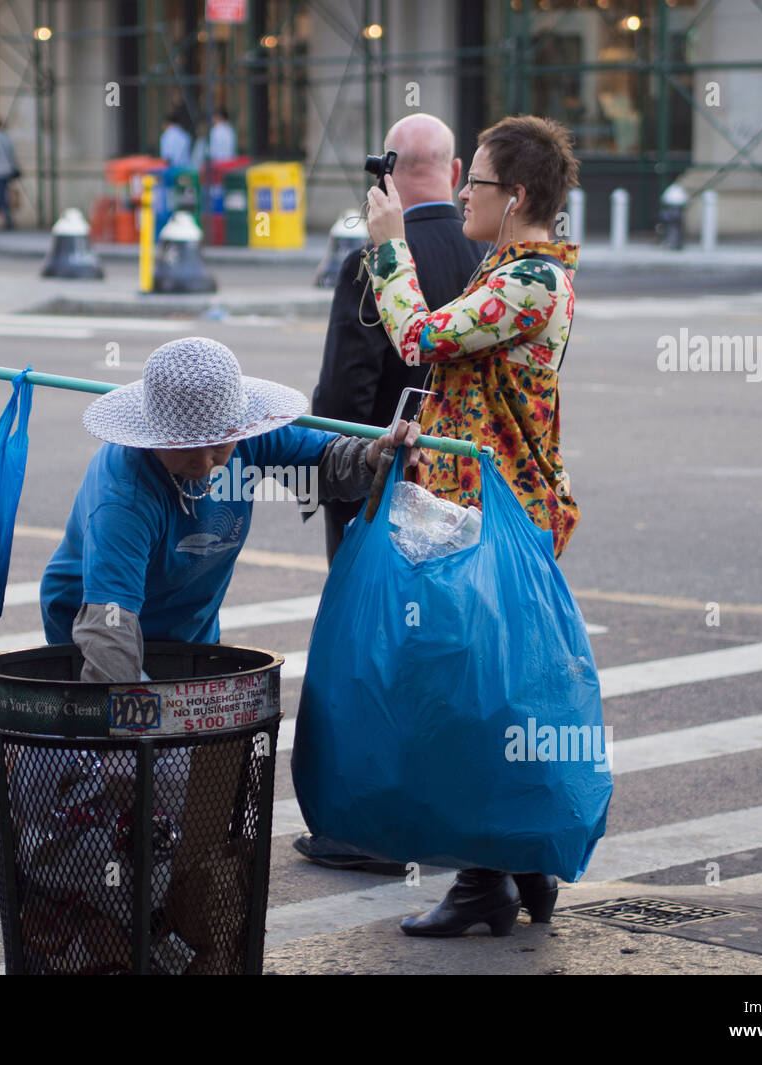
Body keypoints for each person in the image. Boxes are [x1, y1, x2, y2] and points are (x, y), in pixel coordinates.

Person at [364, 113, 582, 936]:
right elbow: (460, 379)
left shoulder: (530, 282)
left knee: (474, 698)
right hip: (472, 510)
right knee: (487, 695)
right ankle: (515, 864)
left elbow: (420, 338)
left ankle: (490, 876)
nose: (461, 194)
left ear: (515, 195)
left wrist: (387, 246)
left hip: (498, 520)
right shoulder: (509, 267)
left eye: (477, 182)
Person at [295, 114, 492, 875]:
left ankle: (369, 826)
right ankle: (450, 812)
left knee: (372, 655)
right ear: (450, 169)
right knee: (447, 652)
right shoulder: (490, 257)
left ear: (390, 170)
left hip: (382, 490)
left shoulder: (373, 261)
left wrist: (325, 473)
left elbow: (344, 394)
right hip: (469, 493)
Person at [39, 336, 420, 683]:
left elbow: (324, 463)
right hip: (99, 632)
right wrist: (133, 717)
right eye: (187, 448)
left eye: (220, 446)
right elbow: (110, 628)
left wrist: (374, 457)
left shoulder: (248, 437)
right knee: (120, 742)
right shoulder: (124, 496)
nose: (205, 463)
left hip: (188, 629)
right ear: (154, 436)